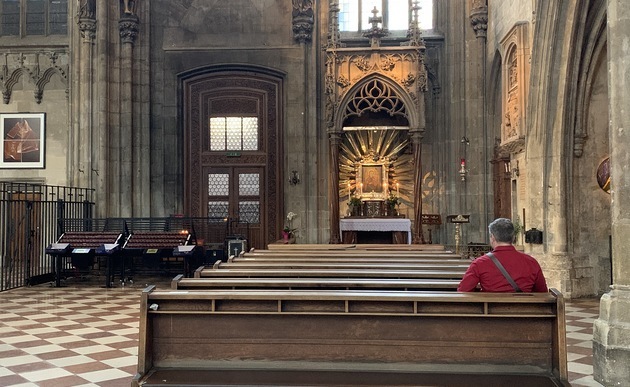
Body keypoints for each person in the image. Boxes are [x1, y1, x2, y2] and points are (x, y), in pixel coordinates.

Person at [457, 218, 548, 292]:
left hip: (491, 314)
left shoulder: (480, 263)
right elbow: (542, 293)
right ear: (513, 237)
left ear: (492, 237)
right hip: (523, 313)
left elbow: (463, 291)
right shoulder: (531, 262)